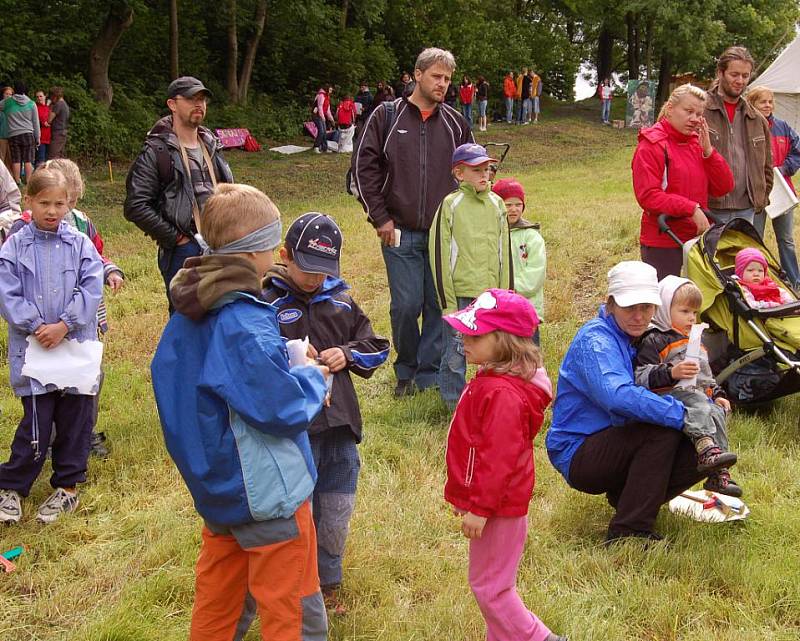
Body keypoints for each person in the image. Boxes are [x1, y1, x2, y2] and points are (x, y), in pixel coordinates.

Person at [151, 183, 330, 641]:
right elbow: (282, 408)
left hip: (218, 491)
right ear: (256, 251)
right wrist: (311, 374)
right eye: (272, 244)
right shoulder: (243, 321)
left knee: (219, 605)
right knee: (292, 609)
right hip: (268, 494)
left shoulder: (188, 311)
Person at [262, 212, 389, 615]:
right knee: (300, 512)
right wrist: (293, 354)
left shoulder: (341, 301)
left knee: (335, 510)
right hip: (298, 430)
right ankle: (296, 586)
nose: (315, 279)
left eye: (324, 271)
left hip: (342, 428)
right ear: (284, 255)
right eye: (307, 269)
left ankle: (328, 583)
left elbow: (378, 346)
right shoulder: (267, 301)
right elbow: (255, 360)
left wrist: (347, 353)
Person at [546, 261, 707, 542]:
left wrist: (708, 406)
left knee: (701, 448)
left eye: (646, 307)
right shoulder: (596, 341)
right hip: (578, 451)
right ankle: (629, 530)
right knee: (663, 429)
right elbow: (618, 397)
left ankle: (630, 499)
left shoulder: (640, 339)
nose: (638, 315)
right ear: (610, 305)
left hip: (612, 439)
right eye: (629, 307)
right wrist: (682, 414)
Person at [442, 289, 567, 641]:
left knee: (491, 589)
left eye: (475, 335)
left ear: (505, 341)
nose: (464, 339)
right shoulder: (494, 380)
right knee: (489, 582)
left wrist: (479, 507)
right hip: (494, 503)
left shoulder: (503, 394)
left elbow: (498, 459)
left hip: (498, 506)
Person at [351, 47, 472, 398]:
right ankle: (405, 369)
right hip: (397, 230)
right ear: (417, 75)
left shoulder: (456, 124)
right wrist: (380, 218)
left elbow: (472, 174)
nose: (443, 84)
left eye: (448, 79)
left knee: (437, 305)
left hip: (442, 234)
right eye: (437, 76)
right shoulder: (386, 116)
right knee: (406, 305)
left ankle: (428, 373)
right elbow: (364, 168)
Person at [0, 167, 103, 525]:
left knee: (76, 419)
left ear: (69, 204)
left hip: (74, 349)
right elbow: (7, 291)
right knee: (36, 422)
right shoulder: (14, 246)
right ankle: (12, 485)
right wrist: (36, 325)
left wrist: (65, 324)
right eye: (44, 203)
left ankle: (67, 486)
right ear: (28, 202)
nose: (52, 211)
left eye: (60, 203)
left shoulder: (80, 244)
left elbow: (92, 286)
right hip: (34, 351)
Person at [19, 158, 125, 459]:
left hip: (82, 322)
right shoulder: (25, 226)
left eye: (67, 202)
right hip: (43, 323)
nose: (58, 212)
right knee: (47, 381)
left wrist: (111, 271)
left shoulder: (82, 223)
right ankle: (49, 438)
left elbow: (97, 257)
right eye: (50, 202)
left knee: (87, 377)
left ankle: (84, 434)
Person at [124, 76, 233, 313]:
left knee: (224, 316)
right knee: (187, 321)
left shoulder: (211, 144)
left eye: (203, 99)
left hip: (222, 245)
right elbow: (136, 205)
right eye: (192, 98)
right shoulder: (157, 150)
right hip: (185, 249)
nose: (199, 104)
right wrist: (177, 239)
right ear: (172, 104)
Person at [634, 276, 740, 496]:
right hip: (668, 395)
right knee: (698, 402)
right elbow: (640, 375)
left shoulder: (697, 342)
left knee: (715, 411)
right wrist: (671, 372)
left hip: (697, 395)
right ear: (663, 309)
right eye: (684, 311)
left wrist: (717, 393)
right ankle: (704, 447)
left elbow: (706, 377)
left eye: (694, 313)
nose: (691, 318)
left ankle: (717, 474)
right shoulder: (655, 339)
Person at [430, 143, 512, 407]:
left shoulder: (497, 203)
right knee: (456, 353)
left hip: (490, 296)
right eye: (476, 170)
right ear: (459, 173)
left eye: (487, 169)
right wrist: (448, 302)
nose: (484, 175)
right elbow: (439, 254)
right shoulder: (450, 205)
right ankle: (455, 406)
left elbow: (504, 252)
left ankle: (490, 401)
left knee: (492, 351)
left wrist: (505, 295)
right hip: (461, 295)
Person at [632, 84, 734, 279]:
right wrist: (691, 208)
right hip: (664, 241)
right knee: (668, 302)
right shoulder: (652, 145)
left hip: (697, 239)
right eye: (688, 111)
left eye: (699, 114)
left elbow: (724, 187)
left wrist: (709, 153)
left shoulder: (696, 143)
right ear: (670, 109)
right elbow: (648, 196)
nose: (694, 119)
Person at [704, 46, 772, 227]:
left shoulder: (757, 119)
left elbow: (767, 167)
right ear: (720, 72)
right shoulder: (699, 111)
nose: (740, 80)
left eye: (745, 75)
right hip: (708, 208)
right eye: (734, 74)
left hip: (746, 209)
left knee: (741, 256)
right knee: (708, 256)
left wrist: (760, 197)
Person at [746, 85, 800, 288]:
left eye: (770, 101)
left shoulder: (783, 127)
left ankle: (794, 282)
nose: (767, 105)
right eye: (763, 101)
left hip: (782, 191)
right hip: (755, 192)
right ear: (752, 103)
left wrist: (785, 168)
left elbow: (798, 150)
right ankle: (755, 281)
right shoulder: (746, 127)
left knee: (786, 239)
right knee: (755, 238)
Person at [492, 178, 545, 344]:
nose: (513, 209)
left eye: (518, 205)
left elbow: (535, 273)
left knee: (529, 356)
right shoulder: (492, 235)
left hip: (526, 309)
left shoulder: (531, 237)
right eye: (508, 205)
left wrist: (509, 288)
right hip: (499, 309)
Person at [0, 82, 40, 184]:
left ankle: (17, 181)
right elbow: (36, 122)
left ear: (15, 90)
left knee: (16, 159)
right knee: (28, 160)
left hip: (13, 135)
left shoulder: (7, 102)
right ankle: (29, 181)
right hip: (28, 134)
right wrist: (37, 137)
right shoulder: (31, 103)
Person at [47, 86, 69, 160]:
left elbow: (49, 120)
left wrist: (49, 106)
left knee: (52, 156)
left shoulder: (58, 105)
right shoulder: (64, 104)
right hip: (63, 132)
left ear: (54, 96)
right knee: (60, 157)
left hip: (57, 133)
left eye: (51, 96)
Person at [312, 85, 335, 154]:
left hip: (321, 116)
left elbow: (328, 110)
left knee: (324, 132)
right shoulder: (321, 95)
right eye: (330, 90)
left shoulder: (327, 97)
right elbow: (320, 107)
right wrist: (323, 117)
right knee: (321, 131)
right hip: (316, 115)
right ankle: (316, 147)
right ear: (327, 89)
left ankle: (325, 148)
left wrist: (332, 120)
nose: (331, 92)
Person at [34, 90, 50, 167]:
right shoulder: (35, 107)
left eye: (40, 96)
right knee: (40, 160)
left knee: (48, 161)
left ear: (45, 96)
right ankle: (37, 177)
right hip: (40, 138)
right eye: (37, 97)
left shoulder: (48, 107)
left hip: (49, 138)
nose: (39, 98)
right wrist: (42, 123)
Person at [0, 86, 12, 171]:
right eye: (6, 94)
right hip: (2, 136)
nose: (8, 96)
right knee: (2, 158)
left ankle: (11, 179)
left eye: (10, 94)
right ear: (3, 94)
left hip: (12, 136)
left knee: (10, 159)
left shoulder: (13, 107)